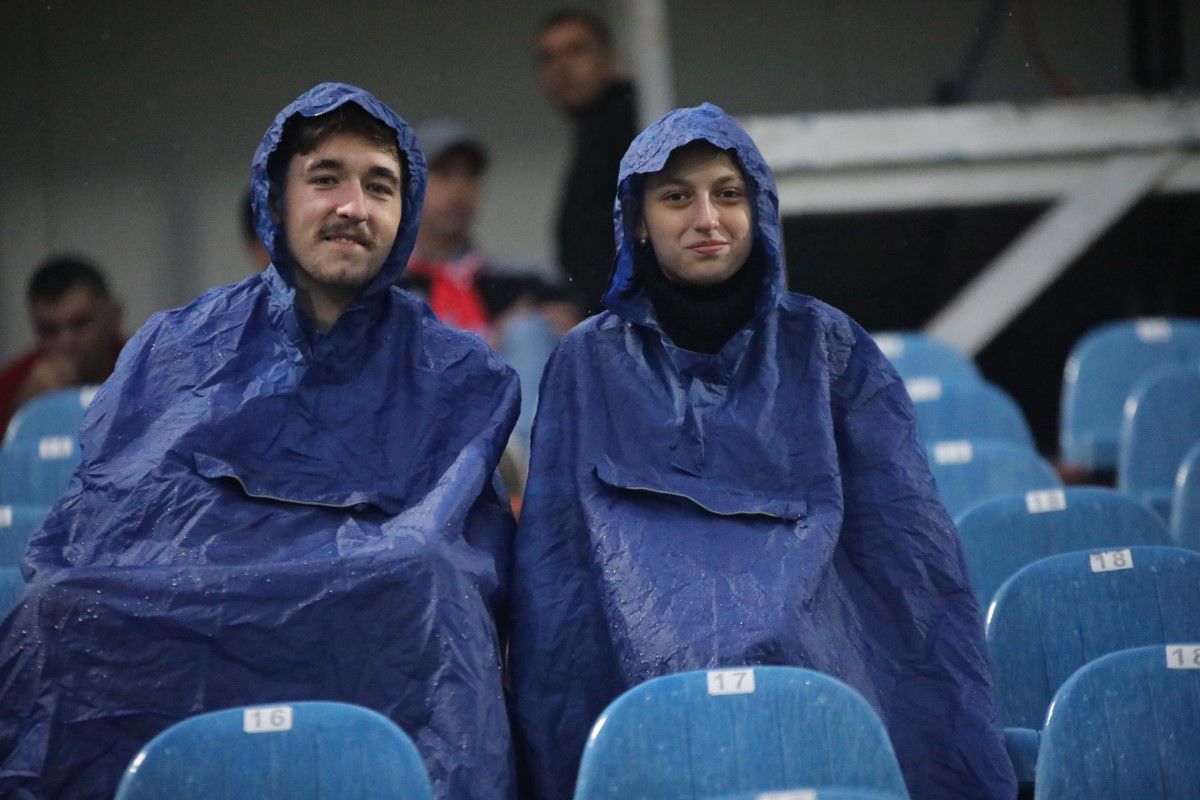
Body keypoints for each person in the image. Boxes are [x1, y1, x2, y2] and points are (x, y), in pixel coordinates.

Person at [0, 83, 519, 800]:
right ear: (275, 200)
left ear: (405, 215)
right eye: (326, 178)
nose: (352, 206)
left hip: (365, 615)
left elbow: (450, 555)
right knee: (54, 610)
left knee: (431, 589)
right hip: (198, 609)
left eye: (380, 185)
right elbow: (109, 528)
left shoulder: (459, 373)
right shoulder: (175, 348)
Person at [509, 104, 1017, 800]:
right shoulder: (586, 364)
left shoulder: (829, 347)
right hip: (644, 695)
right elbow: (559, 573)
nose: (707, 219)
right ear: (636, 220)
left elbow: (904, 550)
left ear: (761, 208)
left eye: (728, 193)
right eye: (677, 197)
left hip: (821, 676)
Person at [402, 118, 580, 444]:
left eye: (469, 175)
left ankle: (521, 463)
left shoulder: (532, 283)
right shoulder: (388, 289)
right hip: (421, 440)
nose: (459, 188)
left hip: (513, 439)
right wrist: (485, 347)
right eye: (444, 174)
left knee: (531, 332)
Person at [536, 8, 638, 315]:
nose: (561, 67)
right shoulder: (595, 129)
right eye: (548, 58)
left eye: (576, 50)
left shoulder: (631, 123)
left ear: (608, 58)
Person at [0, 257, 124, 435]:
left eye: (81, 324)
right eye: (49, 330)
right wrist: (23, 413)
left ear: (113, 318)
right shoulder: (13, 386)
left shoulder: (145, 369)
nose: (66, 342)